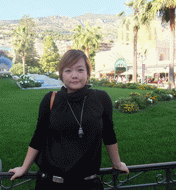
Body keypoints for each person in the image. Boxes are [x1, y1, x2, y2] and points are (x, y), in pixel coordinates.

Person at [8, 49, 129, 190]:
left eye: (80, 70)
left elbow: (108, 134)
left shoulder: (101, 99)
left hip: (87, 184)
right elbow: (39, 136)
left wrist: (117, 164)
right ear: (61, 75)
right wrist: (24, 167)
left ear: (88, 73)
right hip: (51, 184)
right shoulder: (50, 100)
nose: (74, 76)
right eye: (68, 71)